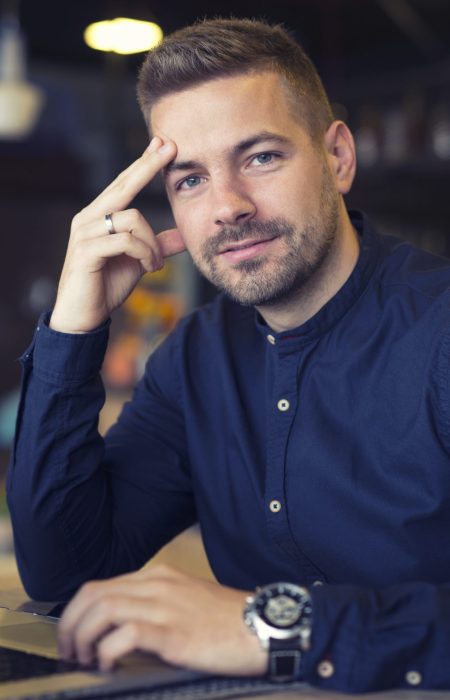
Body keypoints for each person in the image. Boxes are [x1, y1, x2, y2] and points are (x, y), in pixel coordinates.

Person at [7, 17, 450, 693]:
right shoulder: (196, 358)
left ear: (337, 157)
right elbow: (65, 569)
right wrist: (75, 326)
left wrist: (275, 627)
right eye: (189, 180)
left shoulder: (440, 328)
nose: (227, 207)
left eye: (261, 157)